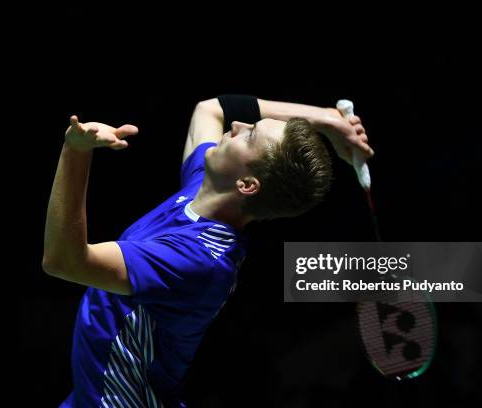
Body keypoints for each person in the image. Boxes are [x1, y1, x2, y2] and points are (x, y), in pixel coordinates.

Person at [42, 95, 373, 407]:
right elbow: (210, 109)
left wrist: (76, 150)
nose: (239, 125)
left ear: (246, 184)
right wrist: (326, 119)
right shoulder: (203, 190)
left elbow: (64, 261)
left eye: (250, 135)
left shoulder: (197, 261)